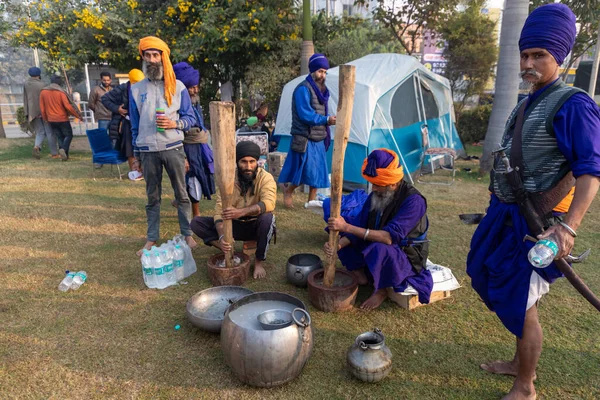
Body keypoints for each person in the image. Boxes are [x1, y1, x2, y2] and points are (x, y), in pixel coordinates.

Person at [467, 4, 600, 400]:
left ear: (558, 56)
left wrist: (569, 227)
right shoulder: (528, 102)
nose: (529, 62)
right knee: (491, 279)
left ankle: (525, 385)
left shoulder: (573, 104)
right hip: (504, 217)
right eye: (525, 54)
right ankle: (518, 361)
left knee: (522, 304)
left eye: (539, 55)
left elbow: (591, 170)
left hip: (537, 223)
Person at [324, 149, 432, 310]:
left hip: (405, 253)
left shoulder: (414, 202)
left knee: (379, 248)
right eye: (372, 184)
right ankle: (362, 274)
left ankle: (381, 290)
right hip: (378, 242)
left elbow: (389, 237)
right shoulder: (376, 196)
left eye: (377, 185)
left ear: (393, 184)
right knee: (345, 236)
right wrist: (338, 245)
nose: (373, 188)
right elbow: (361, 225)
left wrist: (346, 226)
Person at [130, 36, 198, 256]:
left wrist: (174, 123)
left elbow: (190, 118)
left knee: (182, 194)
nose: (151, 59)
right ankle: (151, 238)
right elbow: (134, 125)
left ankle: (188, 233)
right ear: (143, 57)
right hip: (148, 150)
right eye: (147, 55)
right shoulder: (135, 89)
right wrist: (136, 156)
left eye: (155, 55)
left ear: (163, 57)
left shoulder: (177, 87)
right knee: (152, 197)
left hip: (173, 148)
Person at [191, 141, 277, 280]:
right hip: (233, 226)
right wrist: (222, 236)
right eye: (243, 161)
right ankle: (226, 247)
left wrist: (241, 212)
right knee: (196, 223)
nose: (248, 167)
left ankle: (258, 262)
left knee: (268, 218)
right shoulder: (227, 179)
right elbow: (219, 211)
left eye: (252, 162)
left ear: (257, 162)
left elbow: (269, 203)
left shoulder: (265, 178)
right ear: (237, 162)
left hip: (256, 225)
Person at [279, 53, 336, 208]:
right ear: (312, 71)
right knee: (303, 170)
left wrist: (328, 120)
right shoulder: (302, 89)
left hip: (318, 135)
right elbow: (305, 114)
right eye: (320, 71)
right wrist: (326, 120)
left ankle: (311, 201)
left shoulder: (322, 91)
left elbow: (322, 111)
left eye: (325, 72)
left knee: (317, 171)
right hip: (304, 136)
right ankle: (289, 191)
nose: (322, 75)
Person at [173, 61, 215, 217]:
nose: (195, 90)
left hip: (200, 144)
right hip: (186, 145)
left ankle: (180, 199)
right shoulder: (177, 102)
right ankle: (195, 213)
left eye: (196, 86)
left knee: (202, 174)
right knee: (192, 176)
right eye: (191, 87)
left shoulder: (196, 101)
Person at [101, 68, 145, 175]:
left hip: (142, 122)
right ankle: (134, 171)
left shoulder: (145, 88)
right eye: (136, 83)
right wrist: (117, 109)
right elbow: (105, 99)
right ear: (131, 81)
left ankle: (143, 170)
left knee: (142, 146)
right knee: (130, 147)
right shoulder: (122, 89)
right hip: (128, 122)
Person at [39, 76, 82, 161]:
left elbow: (42, 108)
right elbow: (68, 106)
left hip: (51, 119)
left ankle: (64, 156)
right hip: (62, 118)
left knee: (59, 137)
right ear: (60, 83)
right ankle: (64, 150)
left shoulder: (43, 92)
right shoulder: (61, 92)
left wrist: (45, 118)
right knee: (68, 135)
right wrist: (77, 115)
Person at [24, 67, 59, 159]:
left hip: (32, 112)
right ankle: (54, 153)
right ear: (39, 74)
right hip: (44, 111)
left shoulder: (26, 84)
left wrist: (26, 112)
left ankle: (37, 146)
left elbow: (25, 99)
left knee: (40, 131)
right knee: (50, 132)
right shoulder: (43, 85)